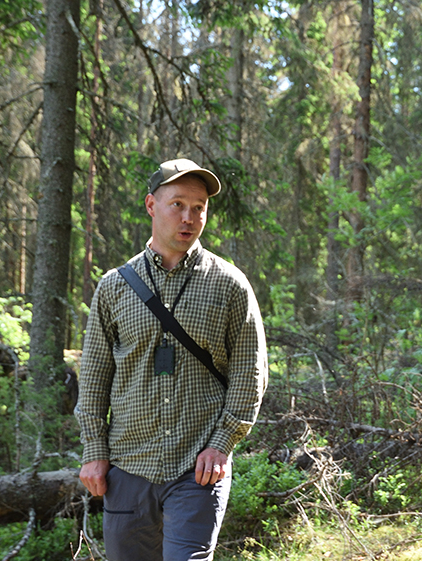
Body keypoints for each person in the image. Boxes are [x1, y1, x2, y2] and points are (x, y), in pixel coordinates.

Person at [76, 158, 268, 561]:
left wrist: (221, 444)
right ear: (151, 205)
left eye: (198, 207)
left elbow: (251, 373)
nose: (189, 217)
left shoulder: (229, 284)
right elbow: (93, 378)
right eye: (177, 204)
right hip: (128, 468)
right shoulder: (114, 287)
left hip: (198, 467)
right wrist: (94, 450)